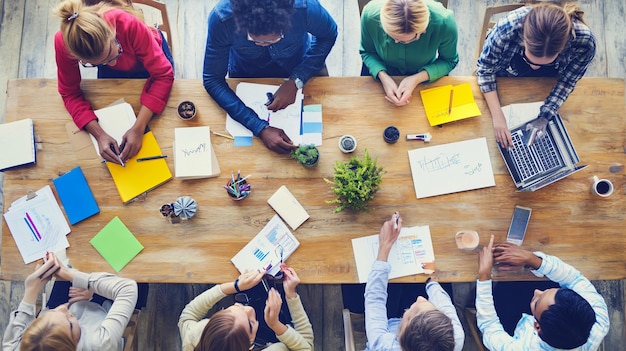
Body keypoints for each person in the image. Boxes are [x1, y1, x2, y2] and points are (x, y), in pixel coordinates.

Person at [202, 0, 338, 154]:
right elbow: (212, 80)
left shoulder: (305, 8)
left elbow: (329, 34)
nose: (264, 44)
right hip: (246, 73)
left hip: (302, 64)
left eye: (274, 39)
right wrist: (259, 127)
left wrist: (297, 80)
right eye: (256, 40)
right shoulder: (222, 19)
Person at [54, 0, 174, 164]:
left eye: (113, 52)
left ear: (112, 31)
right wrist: (99, 134)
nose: (113, 64)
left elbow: (163, 75)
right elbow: (68, 92)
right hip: (117, 75)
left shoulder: (127, 23)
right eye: (98, 63)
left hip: (150, 58)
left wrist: (138, 128)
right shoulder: (64, 42)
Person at [476, 3, 596, 148]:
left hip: (548, 81)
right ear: (523, 39)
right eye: (530, 59)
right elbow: (485, 69)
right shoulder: (507, 28)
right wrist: (497, 115)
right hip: (507, 74)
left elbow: (567, 82)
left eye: (544, 62)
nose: (534, 67)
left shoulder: (585, 43)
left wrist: (545, 116)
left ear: (562, 47)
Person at [476, 236, 610, 350]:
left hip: (513, 323)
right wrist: (532, 260)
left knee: (503, 293)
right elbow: (574, 279)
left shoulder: (522, 347)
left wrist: (484, 276)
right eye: (548, 292)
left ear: (537, 326)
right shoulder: (599, 318)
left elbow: (489, 326)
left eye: (536, 303)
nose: (536, 291)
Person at [364, 212, 464, 351]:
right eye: (434, 309)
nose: (420, 298)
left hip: (387, 324)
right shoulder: (454, 337)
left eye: (412, 311)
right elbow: (447, 307)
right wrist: (431, 282)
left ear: (400, 335)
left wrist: (385, 245)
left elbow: (374, 300)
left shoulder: (382, 344)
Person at [2, 252, 138, 351]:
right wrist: (72, 275)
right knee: (137, 266)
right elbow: (128, 288)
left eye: (48, 315)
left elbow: (9, 346)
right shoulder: (100, 344)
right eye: (69, 320)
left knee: (70, 255)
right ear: (72, 344)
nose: (63, 307)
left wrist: (31, 290)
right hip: (103, 310)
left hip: (85, 305)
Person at [178, 264, 313, 351]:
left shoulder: (195, 338)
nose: (248, 309)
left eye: (233, 307)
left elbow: (188, 316)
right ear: (250, 340)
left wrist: (236, 286)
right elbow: (306, 348)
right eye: (250, 323)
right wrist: (276, 323)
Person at [360, 0, 459, 107]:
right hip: (379, 75)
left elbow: (449, 60)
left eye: (408, 40)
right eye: (392, 37)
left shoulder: (445, 22)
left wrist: (417, 78)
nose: (397, 42)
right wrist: (383, 77)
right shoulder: (370, 16)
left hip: (426, 77)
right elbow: (367, 52)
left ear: (424, 29)